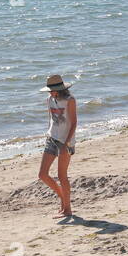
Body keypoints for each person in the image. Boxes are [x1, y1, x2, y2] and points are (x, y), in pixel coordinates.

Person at [39, 74, 77, 217]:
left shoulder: (70, 100)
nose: (50, 93)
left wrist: (67, 142)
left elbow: (73, 122)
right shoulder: (50, 100)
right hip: (52, 139)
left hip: (65, 141)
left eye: (52, 90)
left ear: (60, 89)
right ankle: (62, 197)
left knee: (62, 176)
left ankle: (67, 209)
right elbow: (51, 121)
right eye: (49, 90)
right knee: (42, 174)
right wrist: (48, 134)